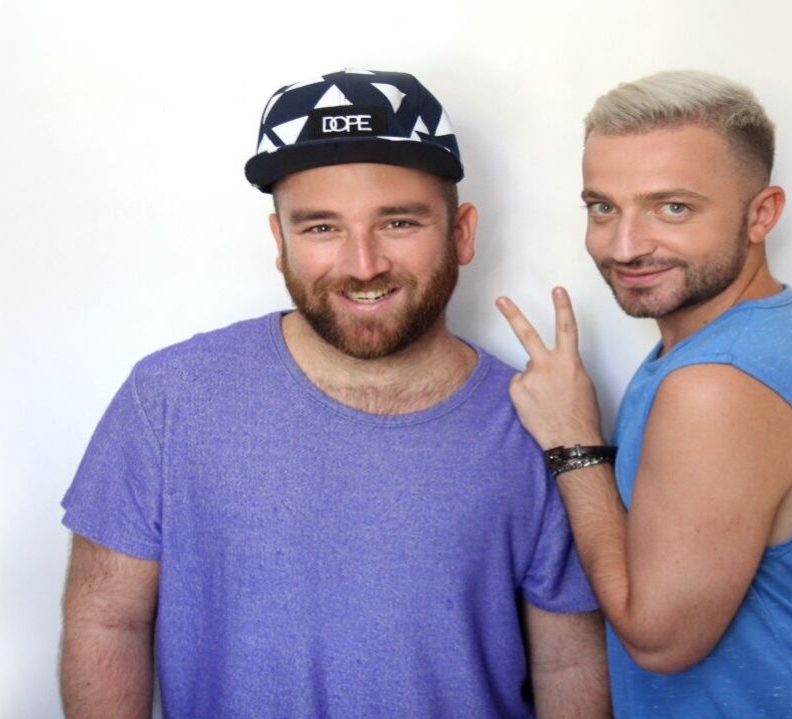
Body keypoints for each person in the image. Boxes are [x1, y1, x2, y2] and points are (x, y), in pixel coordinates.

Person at [59, 68, 610, 719]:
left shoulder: (539, 422)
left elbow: (569, 662)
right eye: (321, 228)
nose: (363, 264)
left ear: (461, 232)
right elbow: (106, 621)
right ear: (280, 242)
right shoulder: (169, 399)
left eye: (398, 221)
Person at [496, 71, 792, 717]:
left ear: (761, 213)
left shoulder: (715, 384)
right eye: (603, 208)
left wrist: (573, 442)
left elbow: (659, 640)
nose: (625, 246)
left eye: (672, 208)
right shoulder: (737, 339)